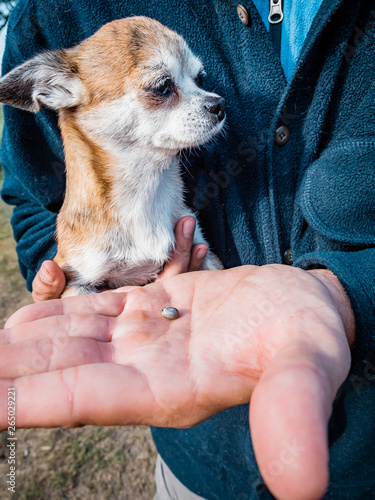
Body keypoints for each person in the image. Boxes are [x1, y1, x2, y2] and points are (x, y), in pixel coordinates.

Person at [1, 0, 374, 499]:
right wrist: (63, 268)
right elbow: (30, 199)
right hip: (192, 464)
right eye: (162, 89)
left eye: (195, 80)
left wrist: (347, 293)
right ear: (60, 92)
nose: (209, 101)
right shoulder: (53, 14)